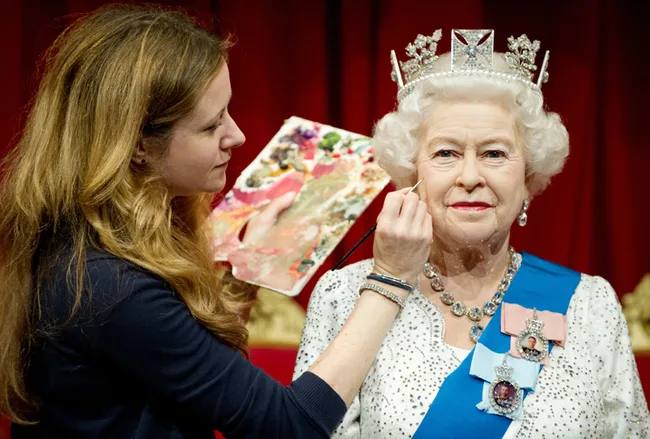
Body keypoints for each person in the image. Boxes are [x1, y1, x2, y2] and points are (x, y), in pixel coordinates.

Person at [0, 4, 432, 438]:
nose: (237, 135)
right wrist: (390, 279)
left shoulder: (86, 244)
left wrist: (249, 269)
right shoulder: (106, 286)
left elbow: (179, 359)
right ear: (137, 146)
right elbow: (290, 426)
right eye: (210, 127)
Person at [293, 29, 649, 438]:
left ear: (530, 175)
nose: (470, 177)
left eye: (494, 153)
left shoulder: (591, 305)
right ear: (411, 174)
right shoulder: (343, 296)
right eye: (445, 153)